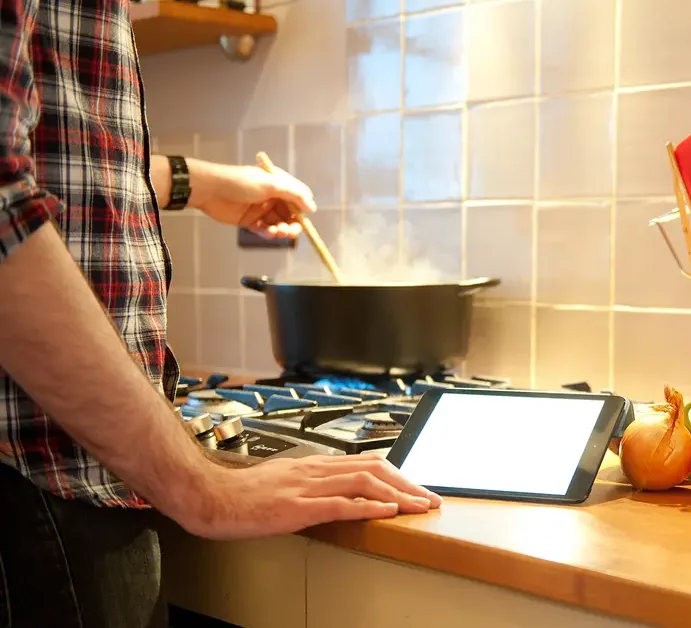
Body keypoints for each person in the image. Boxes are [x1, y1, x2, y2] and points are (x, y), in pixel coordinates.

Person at [0, 2, 441, 626]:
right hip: (39, 479)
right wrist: (201, 487)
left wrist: (197, 183)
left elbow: (64, 159)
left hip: (85, 475)